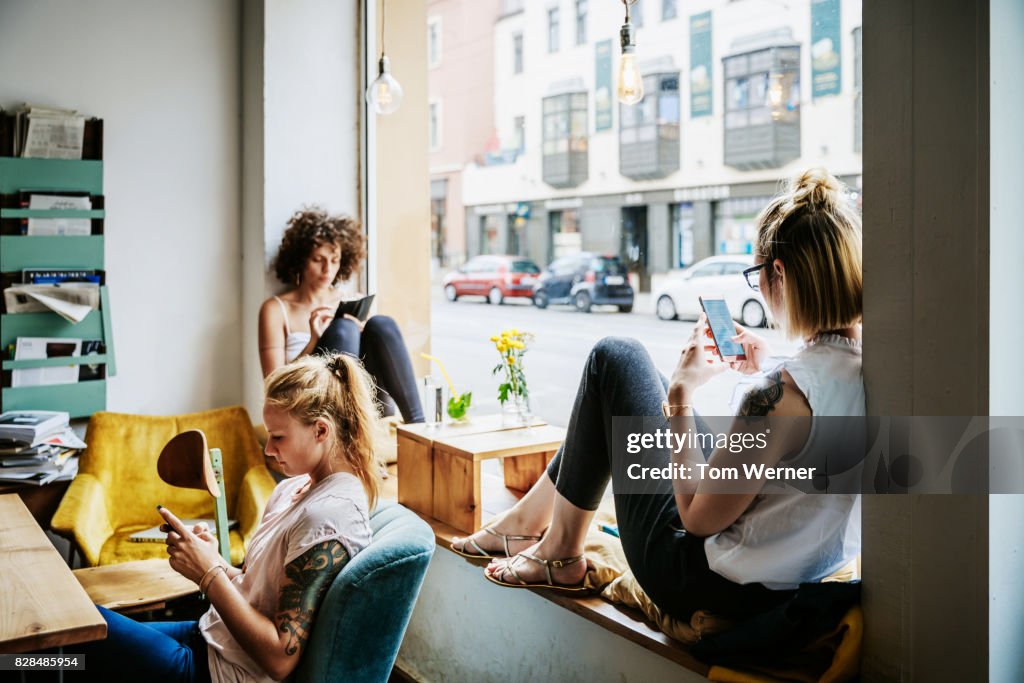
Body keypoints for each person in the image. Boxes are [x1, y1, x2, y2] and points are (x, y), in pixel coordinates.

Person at [452, 168, 863, 620]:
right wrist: (768, 363)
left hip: (703, 585)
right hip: (791, 579)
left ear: (778, 272)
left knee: (615, 358)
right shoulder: (876, 369)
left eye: (756, 275)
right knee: (616, 408)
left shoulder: (774, 399)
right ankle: (527, 525)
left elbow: (695, 519)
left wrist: (680, 397)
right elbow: (807, 425)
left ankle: (558, 552)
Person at [73, 353, 381, 682]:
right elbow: (258, 592)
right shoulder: (294, 489)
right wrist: (214, 561)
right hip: (211, 637)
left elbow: (280, 659)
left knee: (74, 631)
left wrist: (209, 575)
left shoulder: (328, 518)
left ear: (321, 431)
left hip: (220, 672)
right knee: (72, 638)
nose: (268, 450)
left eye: (278, 437)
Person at [258, 207, 424, 423]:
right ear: (300, 260)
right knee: (343, 329)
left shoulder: (351, 299)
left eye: (335, 260)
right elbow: (275, 386)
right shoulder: (276, 309)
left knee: (381, 324)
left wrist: (362, 333)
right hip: (314, 408)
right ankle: (345, 431)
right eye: (318, 259)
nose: (328, 269)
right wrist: (313, 341)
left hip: (365, 402)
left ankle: (420, 426)